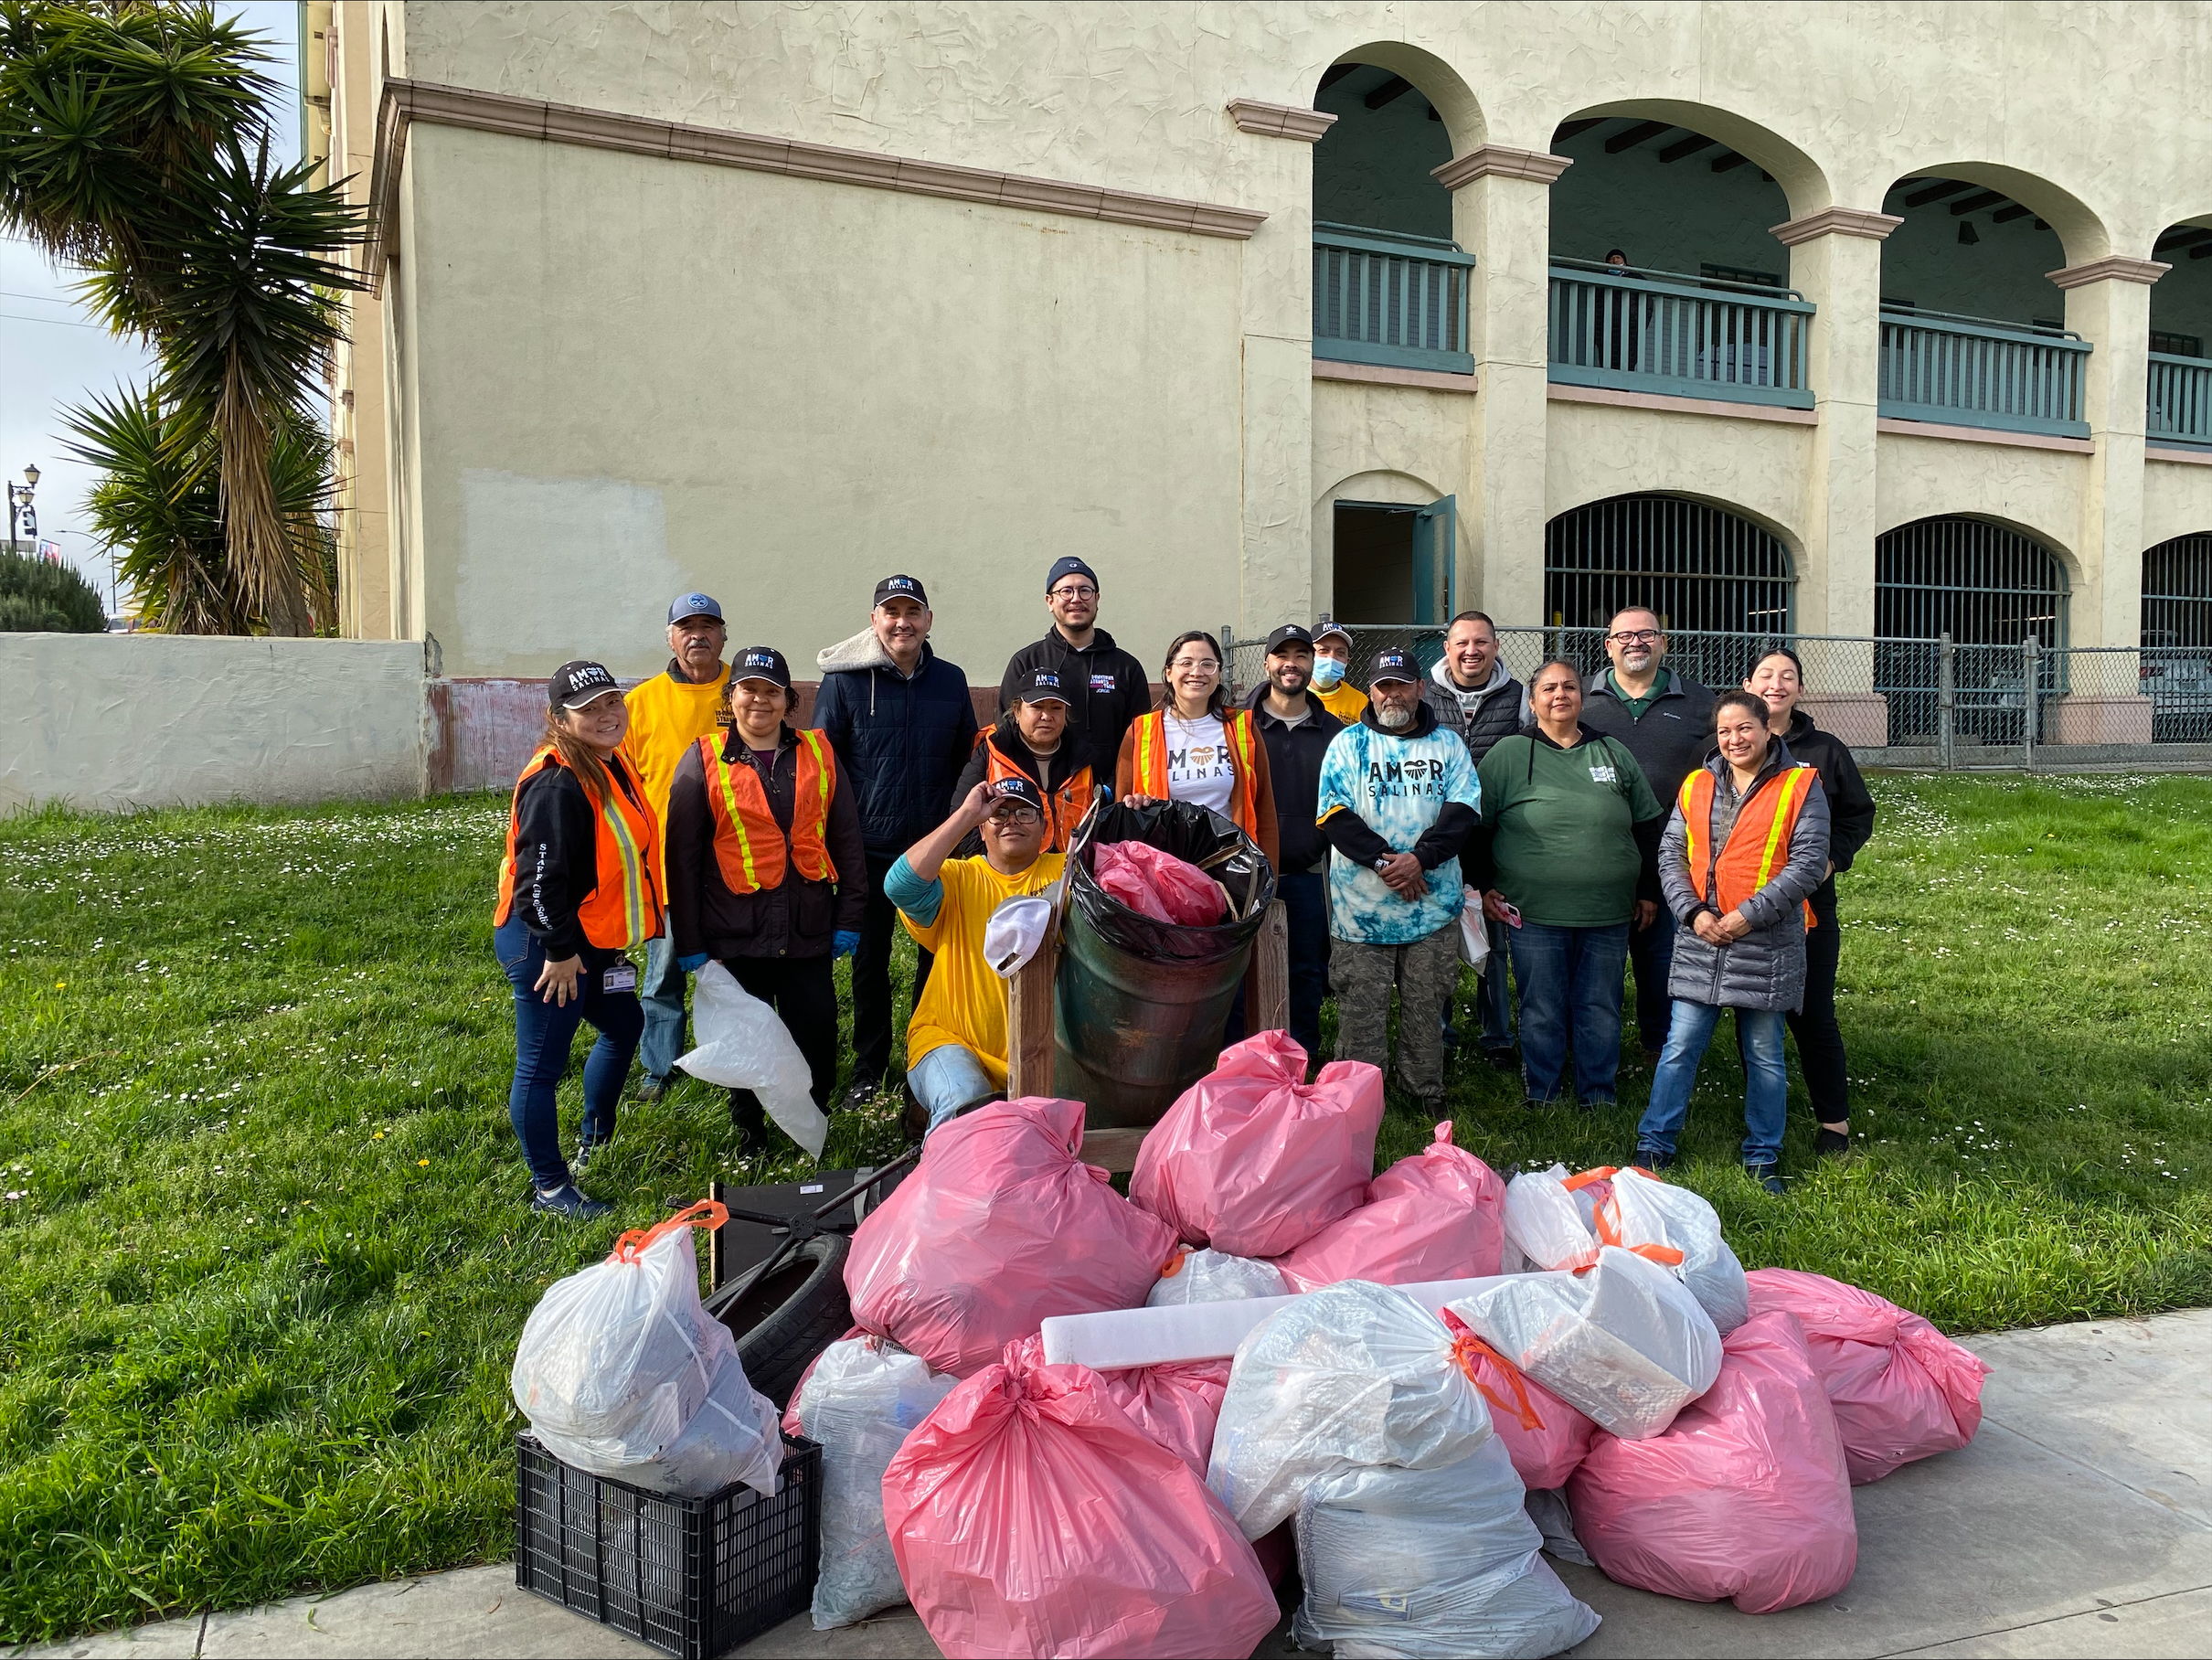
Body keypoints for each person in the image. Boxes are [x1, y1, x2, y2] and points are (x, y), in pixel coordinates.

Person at [664, 646, 866, 1151]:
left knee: (816, 1031)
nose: (760, 700)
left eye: (771, 691)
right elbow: (682, 859)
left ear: (788, 701)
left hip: (807, 928)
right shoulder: (702, 758)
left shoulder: (819, 753)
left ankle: (809, 1118)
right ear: (731, 698)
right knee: (746, 1038)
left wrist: (851, 915)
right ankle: (749, 1126)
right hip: (736, 932)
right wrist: (688, 939)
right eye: (748, 689)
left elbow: (846, 839)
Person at [1634, 689, 1831, 1195]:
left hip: (1766, 943)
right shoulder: (1696, 784)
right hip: (1701, 937)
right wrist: (1692, 912)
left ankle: (1763, 1154)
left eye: (1745, 728)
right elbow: (1671, 854)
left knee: (1765, 1053)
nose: (1734, 739)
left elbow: (1808, 865)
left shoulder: (1800, 786)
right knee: (1679, 1047)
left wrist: (1748, 917)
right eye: (1724, 731)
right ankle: (1654, 1145)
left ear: (1767, 729)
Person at [493, 661, 664, 1218]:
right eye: (588, 709)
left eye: (611, 702)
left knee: (624, 1025)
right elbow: (537, 884)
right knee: (541, 1065)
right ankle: (550, 1188)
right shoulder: (557, 781)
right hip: (548, 944)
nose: (606, 715)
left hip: (587, 938)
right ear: (558, 719)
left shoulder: (608, 764)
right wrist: (562, 954)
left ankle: (595, 1134)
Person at [1466, 660, 1664, 1111]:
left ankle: (1598, 1093)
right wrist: (1483, 884)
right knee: (1542, 1007)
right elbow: (1478, 829)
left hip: (1609, 909)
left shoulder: (1613, 752)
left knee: (1599, 1007)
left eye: (1570, 687)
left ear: (1582, 697)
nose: (1560, 695)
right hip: (1533, 911)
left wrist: (1649, 889)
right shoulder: (1508, 754)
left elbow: (1649, 825)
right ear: (1533, 702)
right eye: (1549, 688)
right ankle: (1544, 1092)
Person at [814, 575, 978, 1107]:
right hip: (868, 848)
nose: (902, 621)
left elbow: (963, 762)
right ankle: (868, 1068)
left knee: (936, 961)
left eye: (913, 611)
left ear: (928, 620)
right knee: (870, 963)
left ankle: (925, 1056)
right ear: (874, 620)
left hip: (933, 855)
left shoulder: (951, 682)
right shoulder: (843, 683)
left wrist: (955, 836)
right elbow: (826, 769)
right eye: (891, 612)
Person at [1314, 647, 1481, 1116]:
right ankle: (1359, 1098)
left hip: (1432, 905)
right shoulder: (1348, 744)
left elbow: (1463, 810)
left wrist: (1419, 860)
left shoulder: (1448, 744)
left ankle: (1423, 1089)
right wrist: (1390, 864)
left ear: (1420, 688)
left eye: (1403, 684)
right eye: (1385, 685)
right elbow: (1333, 815)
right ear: (1372, 690)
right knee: (1361, 1009)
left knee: (1426, 1005)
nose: (1393, 694)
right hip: (1362, 910)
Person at [1743, 648, 1877, 1158]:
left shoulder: (1824, 750)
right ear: (1748, 684)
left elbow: (1855, 816)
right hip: (1746, 907)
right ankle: (1759, 1114)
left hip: (1808, 907)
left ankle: (1834, 1124)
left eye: (1788, 677)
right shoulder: (1730, 743)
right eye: (1766, 675)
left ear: (1799, 688)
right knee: (1753, 1013)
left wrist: (1831, 862)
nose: (1776, 684)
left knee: (1813, 1013)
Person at [886, 776, 1068, 1132]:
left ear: (1045, 828)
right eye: (999, 814)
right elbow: (899, 886)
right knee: (965, 1100)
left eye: (1024, 813)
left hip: (1045, 1053)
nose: (1012, 821)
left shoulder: (1068, 871)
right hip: (950, 1041)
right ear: (982, 830)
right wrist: (967, 814)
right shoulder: (955, 877)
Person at [1579, 607, 1717, 1058]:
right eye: (1624, 636)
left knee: (1663, 967)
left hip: (1674, 861)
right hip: (1599, 861)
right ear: (1608, 645)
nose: (1635, 642)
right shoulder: (1580, 698)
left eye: (1647, 634)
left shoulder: (1701, 703)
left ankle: (1661, 1050)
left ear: (1664, 642)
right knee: (1599, 968)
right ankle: (1598, 1048)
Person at [622, 592, 730, 1104]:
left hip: (735, 863)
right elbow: (618, 786)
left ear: (724, 634)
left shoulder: (745, 691)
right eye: (686, 627)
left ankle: (732, 1058)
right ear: (669, 637)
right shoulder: (639, 704)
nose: (698, 636)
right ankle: (659, 1067)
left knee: (733, 971)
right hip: (665, 865)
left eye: (708, 625)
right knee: (663, 972)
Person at [1421, 609, 1533, 1071]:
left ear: (1496, 646)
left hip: (1496, 837)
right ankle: (1441, 1033)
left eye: (1481, 642)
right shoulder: (1423, 694)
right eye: (1461, 642)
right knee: (1438, 937)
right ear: (1446, 648)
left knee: (1496, 934)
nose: (1472, 651)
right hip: (1438, 836)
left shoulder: (1520, 697)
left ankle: (1497, 1035)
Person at [1244, 622, 1344, 1055]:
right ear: (1267, 662)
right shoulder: (1238, 727)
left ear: (1312, 663)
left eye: (1301, 656)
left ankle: (1302, 1057)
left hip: (1307, 872)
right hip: (1245, 872)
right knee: (1244, 969)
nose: (1292, 664)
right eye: (1282, 655)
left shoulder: (1334, 732)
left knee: (1306, 970)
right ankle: (1245, 1056)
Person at [1117, 630, 1281, 867]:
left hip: (1231, 866)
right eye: (1186, 663)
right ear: (1169, 673)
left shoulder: (1242, 728)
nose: (1197, 672)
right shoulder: (1141, 731)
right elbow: (1122, 810)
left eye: (1207, 664)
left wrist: (1268, 877)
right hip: (1164, 870)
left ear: (1219, 674)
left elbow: (1264, 808)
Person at [997, 557, 1151, 777]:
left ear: (1097, 599)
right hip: (1043, 797)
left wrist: (1120, 791)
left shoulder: (1126, 667)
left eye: (1085, 591)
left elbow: (1140, 739)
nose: (1076, 599)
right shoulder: (1026, 662)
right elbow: (1007, 733)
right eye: (1066, 591)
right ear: (1049, 601)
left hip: (1111, 798)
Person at [954, 668, 1095, 850]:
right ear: (1017, 711)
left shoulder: (1084, 757)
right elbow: (962, 823)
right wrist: (997, 864)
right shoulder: (990, 752)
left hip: (1071, 870)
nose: (1047, 716)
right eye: (1037, 707)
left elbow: (1098, 824)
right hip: (1006, 873)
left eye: (1056, 708)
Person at [1308, 621, 1370, 724]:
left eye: (1340, 653)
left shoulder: (1360, 702)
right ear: (1308, 654)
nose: (1331, 658)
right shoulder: (1293, 695)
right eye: (1323, 650)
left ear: (1347, 661)